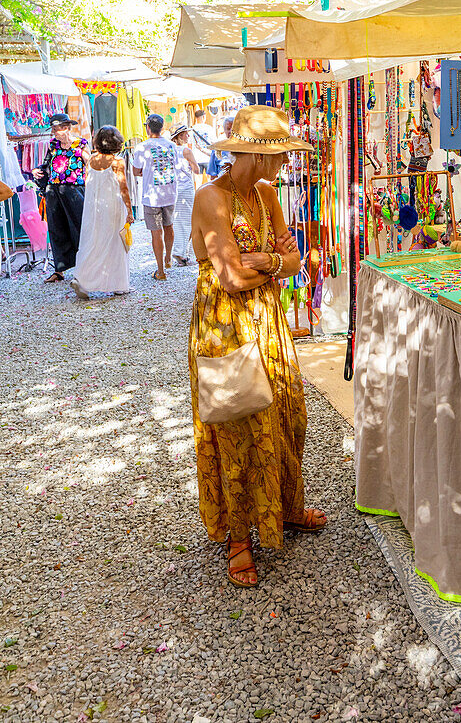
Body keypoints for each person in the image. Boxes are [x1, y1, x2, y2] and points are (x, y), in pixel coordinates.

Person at [189, 106, 327, 589]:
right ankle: (239, 537)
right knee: (237, 419)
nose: (286, 163)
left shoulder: (266, 193)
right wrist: (277, 262)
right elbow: (229, 279)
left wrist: (265, 260)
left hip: (267, 319)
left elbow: (297, 258)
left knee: (286, 410)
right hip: (226, 325)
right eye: (280, 155)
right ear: (255, 155)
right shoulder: (212, 198)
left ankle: (284, 507)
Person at [71, 125, 133, 299]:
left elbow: (88, 182)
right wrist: (129, 210)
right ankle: (119, 284)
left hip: (93, 207)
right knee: (115, 243)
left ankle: (83, 278)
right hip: (112, 206)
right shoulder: (117, 162)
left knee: (92, 241)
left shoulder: (90, 159)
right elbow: (124, 188)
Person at [33, 112, 90, 283]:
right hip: (54, 191)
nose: (55, 132)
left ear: (67, 128)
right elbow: (46, 163)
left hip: (75, 190)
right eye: (54, 129)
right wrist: (38, 170)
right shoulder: (53, 145)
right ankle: (60, 270)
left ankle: (85, 267)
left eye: (58, 129)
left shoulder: (81, 143)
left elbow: (90, 164)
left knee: (79, 228)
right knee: (57, 229)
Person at [132, 114, 178, 281]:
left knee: (156, 232)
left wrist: (148, 171)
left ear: (148, 128)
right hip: (170, 191)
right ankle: (168, 257)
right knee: (169, 226)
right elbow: (176, 166)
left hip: (152, 196)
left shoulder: (142, 147)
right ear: (162, 127)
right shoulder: (171, 145)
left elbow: (136, 171)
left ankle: (160, 270)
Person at [170, 123, 199, 266]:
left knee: (178, 221)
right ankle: (180, 252)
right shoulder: (186, 151)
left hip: (173, 189)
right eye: (187, 133)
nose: (188, 135)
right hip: (186, 189)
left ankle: (181, 253)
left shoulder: (169, 150)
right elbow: (197, 169)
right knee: (189, 220)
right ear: (180, 136)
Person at [190, 109, 212, 174]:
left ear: (196, 118)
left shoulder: (191, 129)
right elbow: (214, 143)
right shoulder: (209, 128)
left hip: (196, 158)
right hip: (208, 157)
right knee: (209, 179)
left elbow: (190, 145)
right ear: (203, 117)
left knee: (198, 180)